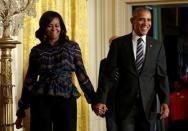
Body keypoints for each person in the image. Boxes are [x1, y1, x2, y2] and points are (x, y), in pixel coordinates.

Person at [15, 11, 96, 131]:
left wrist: (94, 100)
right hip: (41, 100)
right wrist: (21, 111)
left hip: (66, 98)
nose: (54, 29)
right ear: (43, 28)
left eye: (57, 25)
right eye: (50, 25)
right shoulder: (36, 51)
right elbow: (29, 80)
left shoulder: (72, 47)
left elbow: (81, 74)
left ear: (61, 27)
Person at [94, 6, 170, 131]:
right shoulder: (119, 44)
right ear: (132, 21)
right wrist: (101, 100)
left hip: (148, 106)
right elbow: (108, 75)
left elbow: (161, 76)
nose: (146, 23)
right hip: (124, 105)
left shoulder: (157, 46)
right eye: (141, 19)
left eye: (149, 20)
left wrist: (165, 101)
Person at [95, 35, 119, 131]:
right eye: (111, 46)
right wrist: (100, 102)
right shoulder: (104, 63)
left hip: (126, 106)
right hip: (110, 105)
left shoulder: (129, 61)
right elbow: (101, 84)